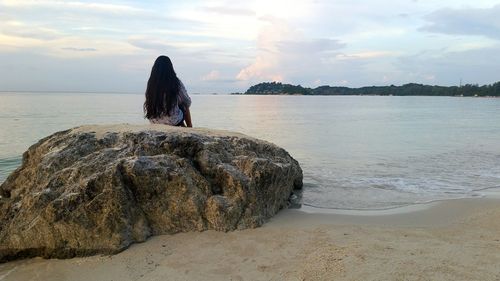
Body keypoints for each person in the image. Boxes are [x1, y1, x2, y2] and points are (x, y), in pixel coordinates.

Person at [144, 55, 192, 127]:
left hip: (154, 121)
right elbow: (187, 101)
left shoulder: (151, 84)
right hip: (173, 121)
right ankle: (189, 127)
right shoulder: (175, 82)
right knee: (184, 105)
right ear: (170, 68)